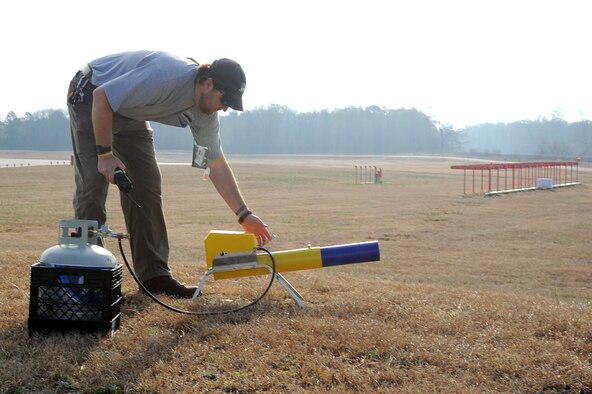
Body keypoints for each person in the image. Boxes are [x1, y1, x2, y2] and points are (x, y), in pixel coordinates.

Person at [67, 50, 272, 297]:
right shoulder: (165, 76)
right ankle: (90, 278)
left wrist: (244, 215)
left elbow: (216, 164)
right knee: (92, 186)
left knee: (147, 185)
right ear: (208, 84)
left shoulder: (206, 114)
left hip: (131, 111)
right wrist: (105, 157)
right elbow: (103, 97)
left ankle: (154, 276)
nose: (226, 108)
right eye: (224, 99)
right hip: (92, 94)